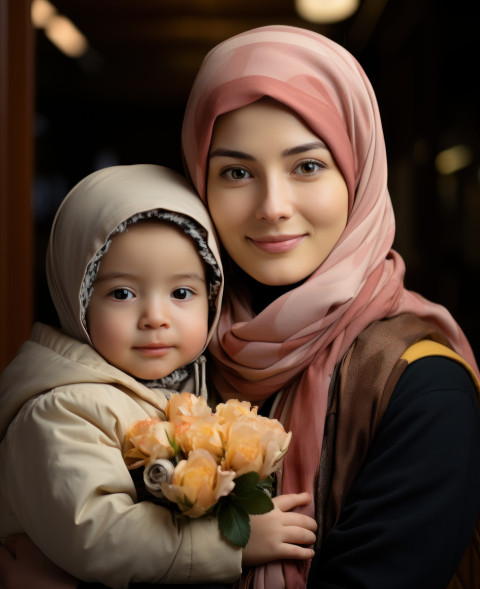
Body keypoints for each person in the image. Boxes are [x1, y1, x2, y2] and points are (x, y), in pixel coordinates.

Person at [1, 24, 480, 589]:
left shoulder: (422, 385)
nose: (273, 206)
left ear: (359, 172)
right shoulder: (175, 357)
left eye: (307, 166)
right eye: (235, 172)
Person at [0, 163, 317, 589]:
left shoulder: (190, 384)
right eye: (122, 293)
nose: (154, 318)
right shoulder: (61, 409)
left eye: (181, 293)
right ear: (77, 299)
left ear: (211, 296)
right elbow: (97, 535)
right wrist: (231, 545)